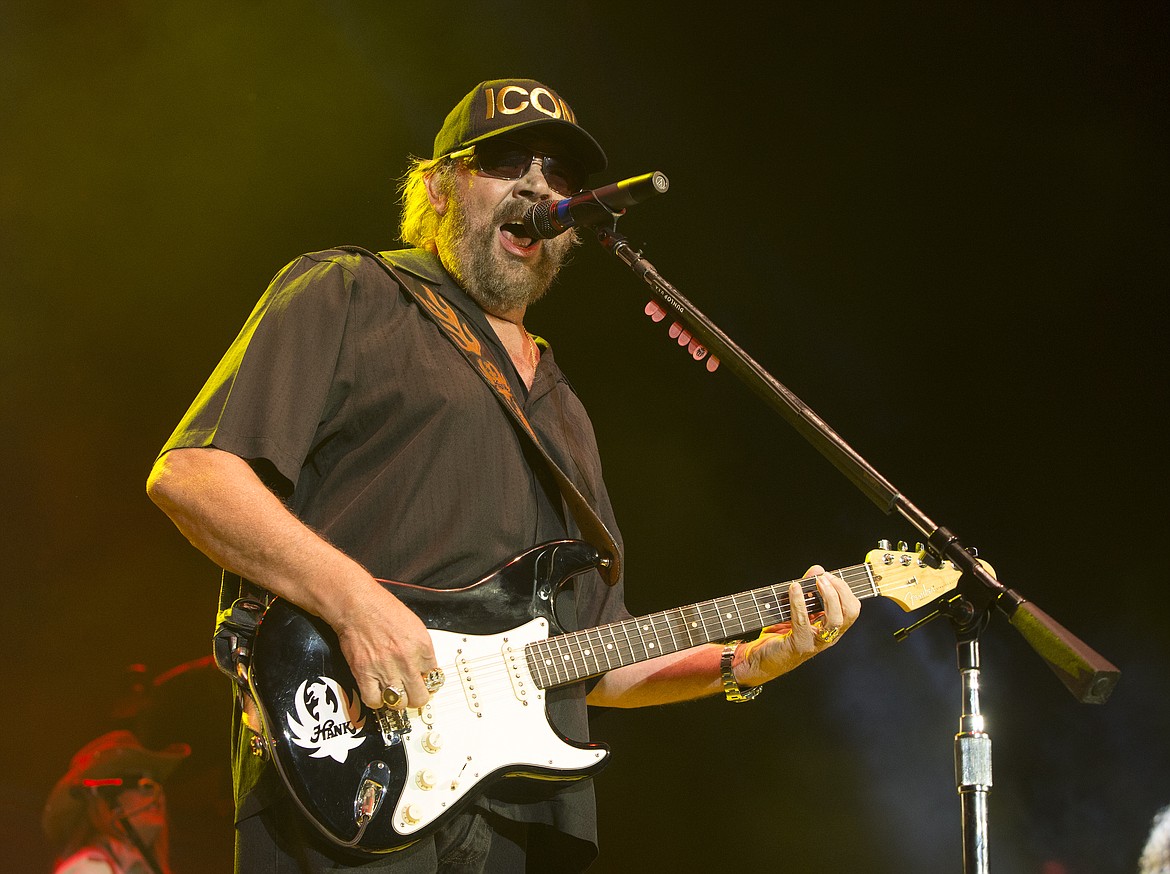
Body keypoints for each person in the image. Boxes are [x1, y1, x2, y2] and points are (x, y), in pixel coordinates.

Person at [146, 76, 861, 872]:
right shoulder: (350, 293)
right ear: (436, 188)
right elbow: (194, 477)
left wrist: (747, 662)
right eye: (504, 161)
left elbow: (598, 657)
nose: (537, 186)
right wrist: (355, 604)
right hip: (350, 767)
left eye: (560, 175)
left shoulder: (565, 410)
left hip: (515, 817)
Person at [42, 730, 190, 874]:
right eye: (142, 783)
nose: (156, 793)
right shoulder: (89, 869)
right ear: (104, 800)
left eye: (157, 782)